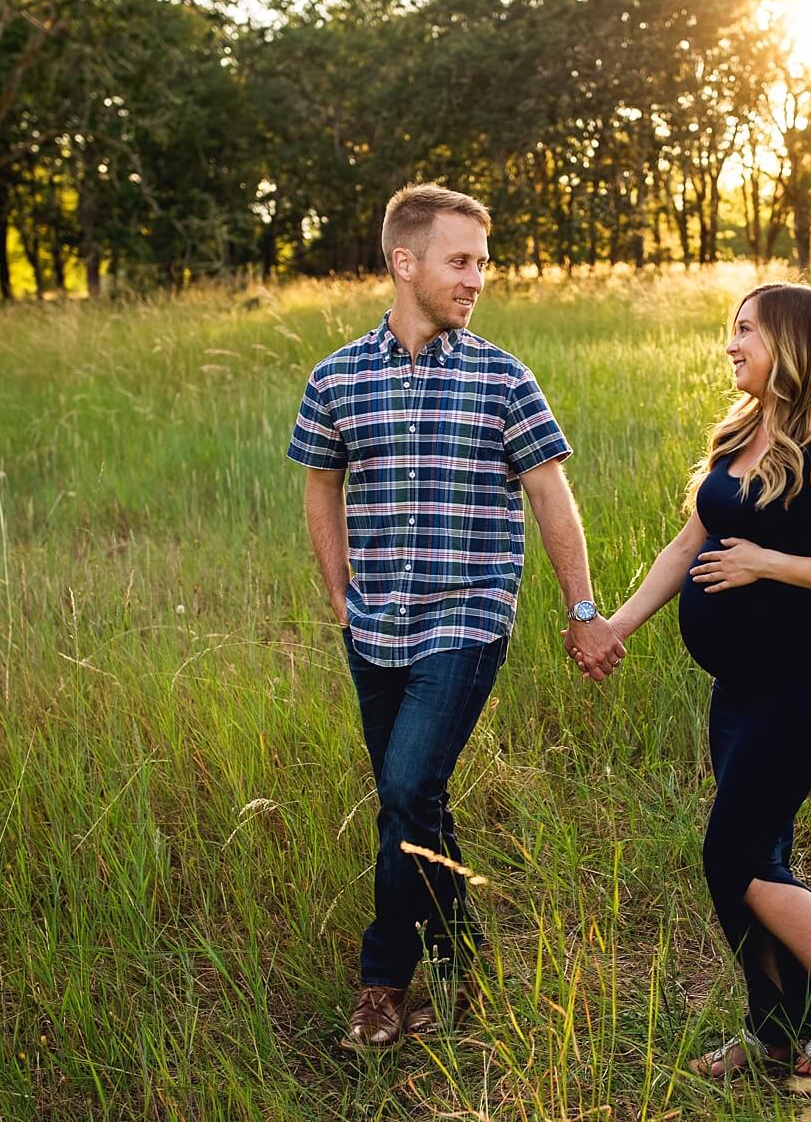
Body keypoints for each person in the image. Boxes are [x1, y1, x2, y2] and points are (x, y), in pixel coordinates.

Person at [286, 183, 626, 1051]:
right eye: (460, 260)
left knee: (403, 788)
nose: (478, 277)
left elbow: (553, 494)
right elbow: (321, 487)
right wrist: (339, 596)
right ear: (406, 263)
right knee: (415, 799)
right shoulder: (336, 377)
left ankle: (382, 980)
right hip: (375, 625)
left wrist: (584, 610)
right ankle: (462, 955)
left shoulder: (502, 376)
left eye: (482, 261)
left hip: (466, 618)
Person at [604, 281, 811, 1078]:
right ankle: (774, 1030)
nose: (730, 344)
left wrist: (767, 560)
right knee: (754, 857)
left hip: (809, 688)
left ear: (793, 343)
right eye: (730, 329)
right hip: (740, 693)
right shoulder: (742, 431)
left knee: (733, 857)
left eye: (746, 331)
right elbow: (683, 546)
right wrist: (615, 626)